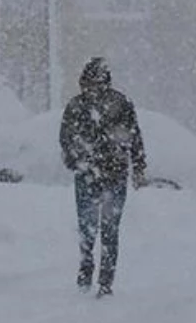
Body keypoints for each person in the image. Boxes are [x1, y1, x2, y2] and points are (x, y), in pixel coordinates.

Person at [59, 57, 146, 297]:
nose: (91, 89)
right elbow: (133, 137)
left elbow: (66, 138)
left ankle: (96, 274)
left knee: (96, 227)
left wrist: (77, 159)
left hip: (98, 173)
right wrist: (137, 164)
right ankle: (98, 275)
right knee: (103, 228)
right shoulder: (115, 104)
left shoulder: (81, 106)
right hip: (106, 173)